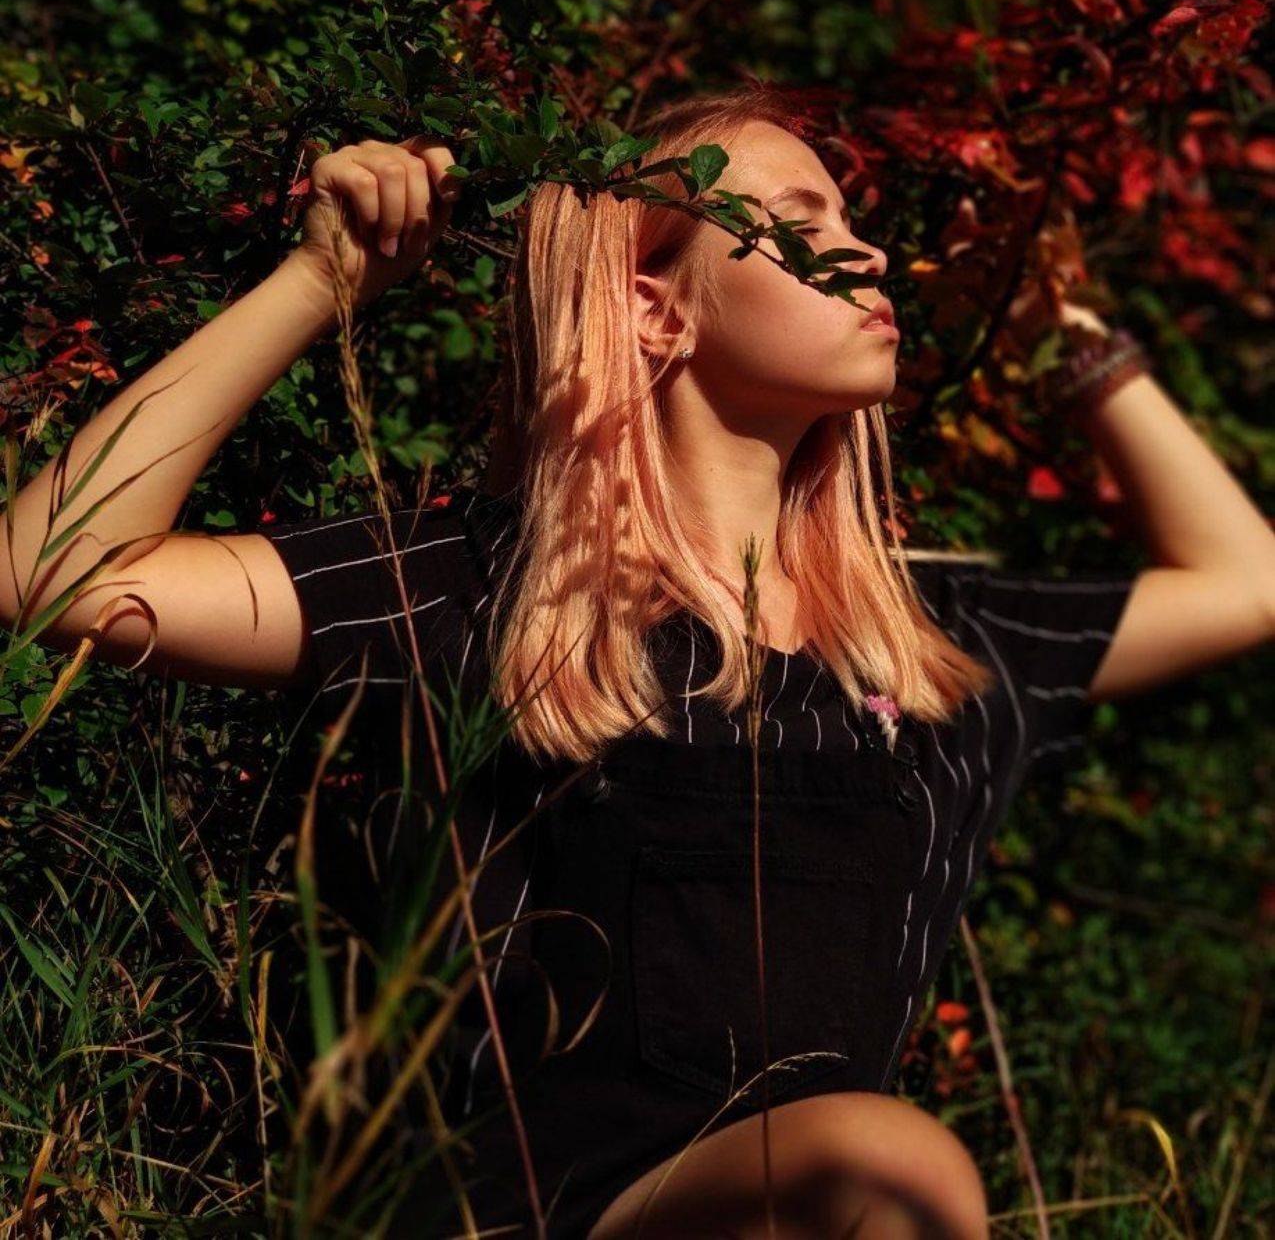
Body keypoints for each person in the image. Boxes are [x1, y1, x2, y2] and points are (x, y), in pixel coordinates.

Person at [4, 84, 1272, 1239]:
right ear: (655, 308)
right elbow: (54, 575)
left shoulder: (923, 645)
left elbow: (1248, 584)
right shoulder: (483, 588)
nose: (870, 250)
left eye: (853, 218)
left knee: (879, 1166)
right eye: (800, 220)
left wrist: (1076, 336)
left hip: (826, 1205)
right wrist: (317, 280)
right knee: (885, 1164)